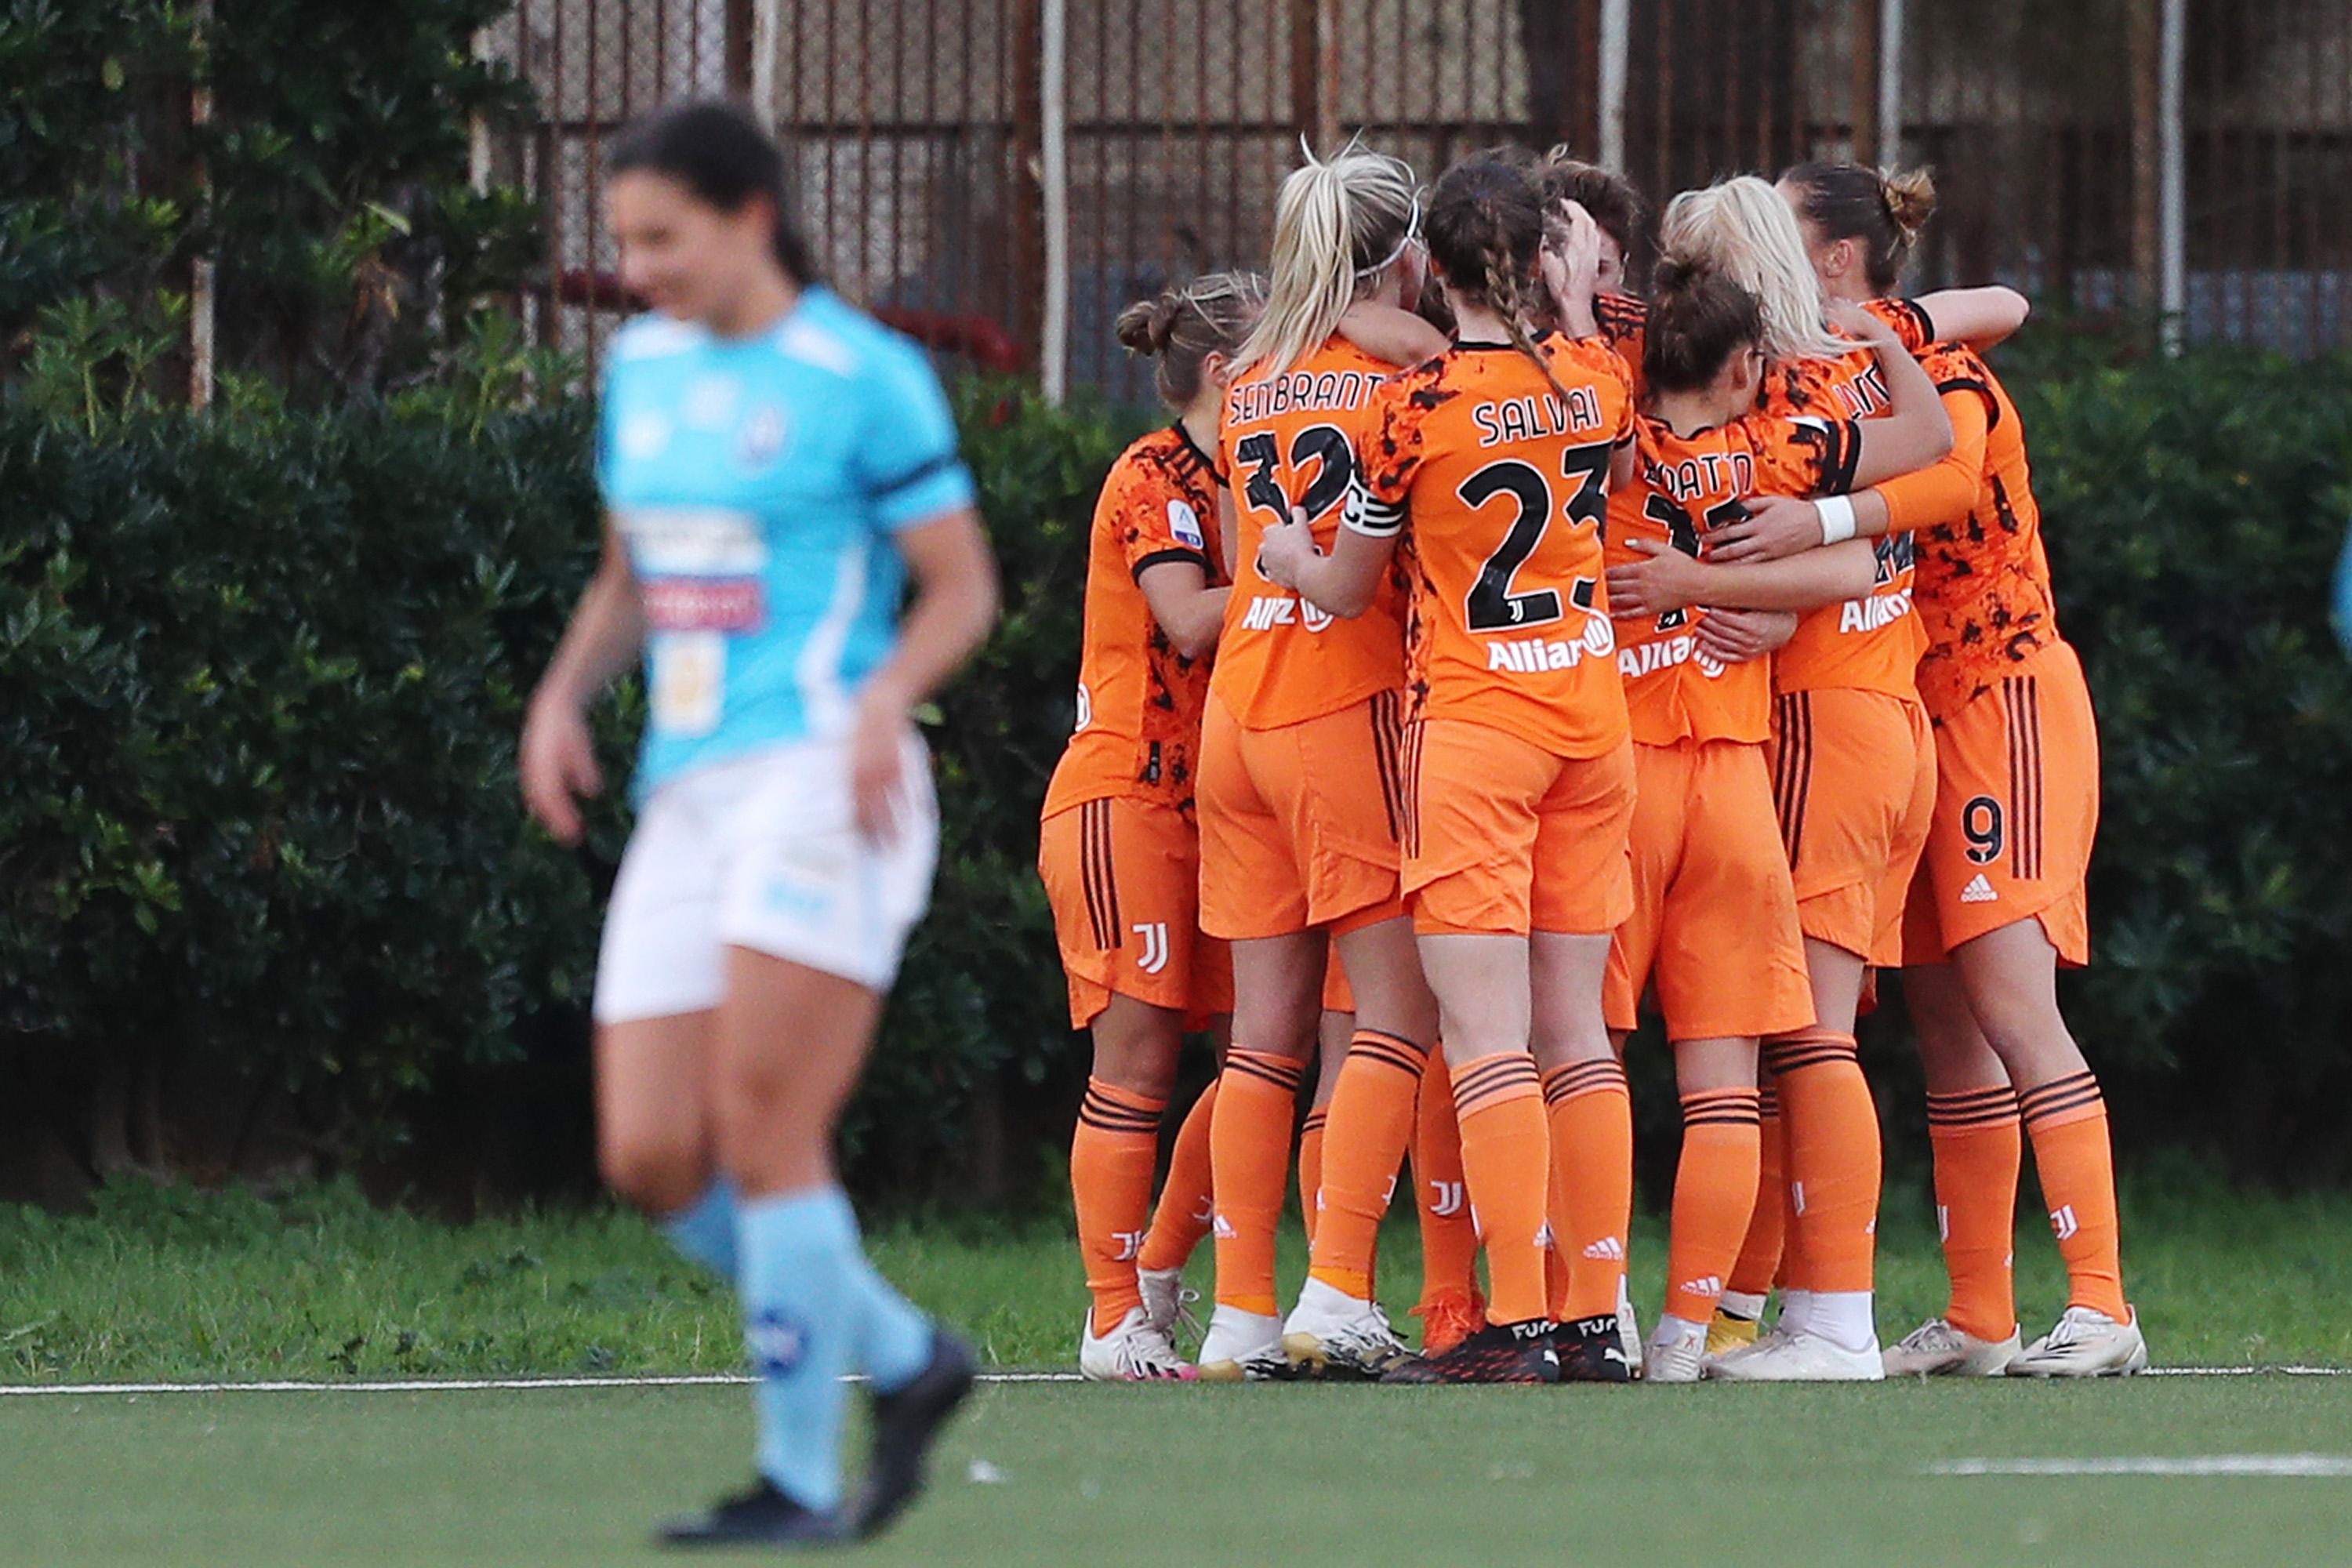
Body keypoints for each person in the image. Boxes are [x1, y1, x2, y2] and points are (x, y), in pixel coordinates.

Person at [518, 100, 1000, 1545]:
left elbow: (962, 589)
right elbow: (632, 577)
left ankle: (796, 1479)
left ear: (750, 217)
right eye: (623, 242)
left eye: (661, 238)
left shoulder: (863, 377)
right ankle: (905, 1358)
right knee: (649, 1155)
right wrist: (560, 701)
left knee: (764, 1126)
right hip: (691, 792)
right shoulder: (645, 369)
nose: (637, 270)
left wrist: (885, 700)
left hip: (824, 780)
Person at [1713, 161, 2147, 1377]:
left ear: (1835, 258)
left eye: (1778, 231)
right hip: (1912, 710)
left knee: (2013, 1005)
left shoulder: (1930, 370)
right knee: (1949, 1027)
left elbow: (1945, 464)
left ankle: (2103, 1306)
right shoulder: (1827, 367)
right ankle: (1980, 1316)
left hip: (2003, 696)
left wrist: (1811, 526)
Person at [1626, 173, 2027, 1379]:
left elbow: (1839, 560)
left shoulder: (1775, 390)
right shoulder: (1844, 365)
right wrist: (1893, 342)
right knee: (1804, 1037)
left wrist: (1720, 586)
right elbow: (1942, 433)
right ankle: (1767, 1309)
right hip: (1883, 709)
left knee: (1806, 1041)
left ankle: (1833, 1318)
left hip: (1822, 721)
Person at [1262, 157, 1639, 1383]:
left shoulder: (1412, 409)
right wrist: (1572, 313)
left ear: (1432, 265)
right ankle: (1596, 1318)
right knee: (1576, 1033)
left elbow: (1345, 588)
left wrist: (1284, 554)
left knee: (1485, 1040)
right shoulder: (1595, 378)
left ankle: (1520, 1322)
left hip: (1477, 728)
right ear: (1539, 258)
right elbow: (1613, 465)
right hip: (1590, 719)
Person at [1191, 141, 1441, 1382]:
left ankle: (1240, 1310)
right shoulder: (1401, 371)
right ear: (1403, 257)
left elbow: (1246, 553)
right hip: (1340, 704)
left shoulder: (1249, 376)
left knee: (1262, 1036)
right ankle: (1338, 1287)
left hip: (1238, 706)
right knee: (1401, 1008)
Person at [1039, 272, 1265, 1381]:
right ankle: (1112, 1314)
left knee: (1267, 1052)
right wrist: (1316, 576)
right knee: (1135, 1063)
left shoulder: (1255, 476)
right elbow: (1186, 618)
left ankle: (1165, 1269)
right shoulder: (1153, 475)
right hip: (1126, 797)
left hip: (1222, 804)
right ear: (1226, 372)